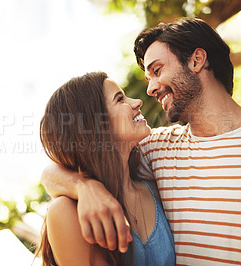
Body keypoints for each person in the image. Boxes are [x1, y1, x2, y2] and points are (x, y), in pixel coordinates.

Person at [41, 18, 241, 265]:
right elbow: (68, 161)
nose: (149, 89)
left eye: (157, 70)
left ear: (197, 60)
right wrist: (85, 187)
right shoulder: (156, 150)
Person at [35, 72, 175, 265]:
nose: (136, 102)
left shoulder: (153, 185)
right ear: (93, 123)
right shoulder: (66, 211)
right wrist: (83, 186)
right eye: (120, 99)